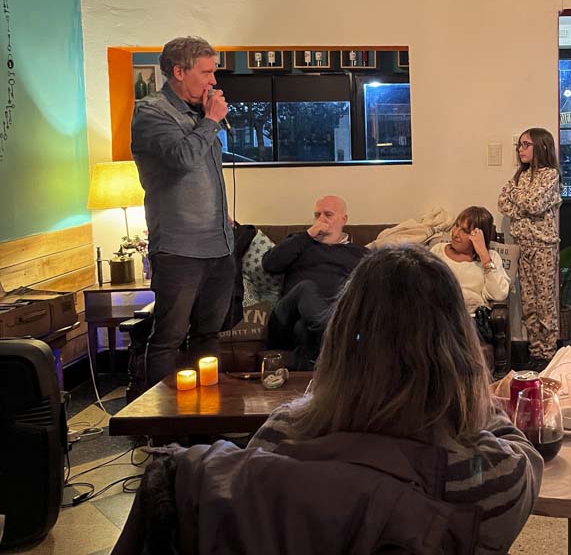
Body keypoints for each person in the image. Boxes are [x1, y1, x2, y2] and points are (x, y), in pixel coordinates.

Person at [115, 246, 542, 555]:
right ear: (457, 349)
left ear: (340, 338)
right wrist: (473, 393)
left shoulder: (279, 435)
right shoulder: (491, 477)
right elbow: (528, 457)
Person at [131, 36, 234, 386]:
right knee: (168, 340)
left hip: (218, 246)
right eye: (206, 72)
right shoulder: (151, 112)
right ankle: (161, 431)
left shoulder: (198, 113)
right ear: (178, 71)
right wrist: (210, 121)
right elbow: (181, 159)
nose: (213, 81)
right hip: (178, 250)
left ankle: (205, 422)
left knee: (208, 337)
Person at [264, 195, 368, 369]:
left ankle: (313, 387)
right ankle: (340, 337)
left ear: (344, 219)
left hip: (326, 316)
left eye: (328, 214)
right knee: (306, 288)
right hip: (286, 317)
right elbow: (270, 264)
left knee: (303, 329)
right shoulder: (300, 242)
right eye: (317, 215)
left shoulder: (360, 253)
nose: (321, 219)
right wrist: (308, 235)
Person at [498, 128, 562, 370]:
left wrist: (520, 200)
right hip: (522, 246)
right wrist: (522, 201)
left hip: (543, 247)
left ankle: (548, 354)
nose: (520, 149)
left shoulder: (550, 175)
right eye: (520, 145)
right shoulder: (521, 176)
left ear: (541, 147)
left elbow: (533, 204)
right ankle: (535, 351)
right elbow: (503, 202)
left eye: (526, 145)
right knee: (529, 304)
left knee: (545, 304)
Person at [430, 206, 510, 314]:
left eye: (465, 231)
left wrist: (483, 254)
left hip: (471, 321)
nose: (456, 234)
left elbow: (499, 294)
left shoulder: (491, 257)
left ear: (479, 236)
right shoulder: (438, 250)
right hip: (438, 315)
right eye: (456, 226)